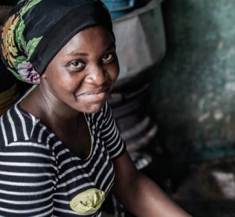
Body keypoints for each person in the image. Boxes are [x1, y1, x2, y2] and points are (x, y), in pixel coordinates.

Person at [0, 0, 191, 216]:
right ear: (40, 67)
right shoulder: (25, 152)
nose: (98, 77)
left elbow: (130, 184)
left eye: (107, 56)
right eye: (76, 64)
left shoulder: (90, 109)